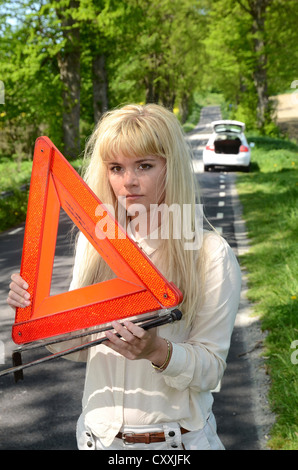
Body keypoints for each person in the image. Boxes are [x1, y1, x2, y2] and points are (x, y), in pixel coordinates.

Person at [7, 103, 241, 450]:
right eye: (116, 168)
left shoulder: (210, 254)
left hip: (176, 445)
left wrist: (156, 350)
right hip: (96, 439)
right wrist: (40, 317)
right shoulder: (97, 246)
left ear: (171, 167)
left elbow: (211, 370)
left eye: (144, 166)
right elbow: (80, 347)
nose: (128, 181)